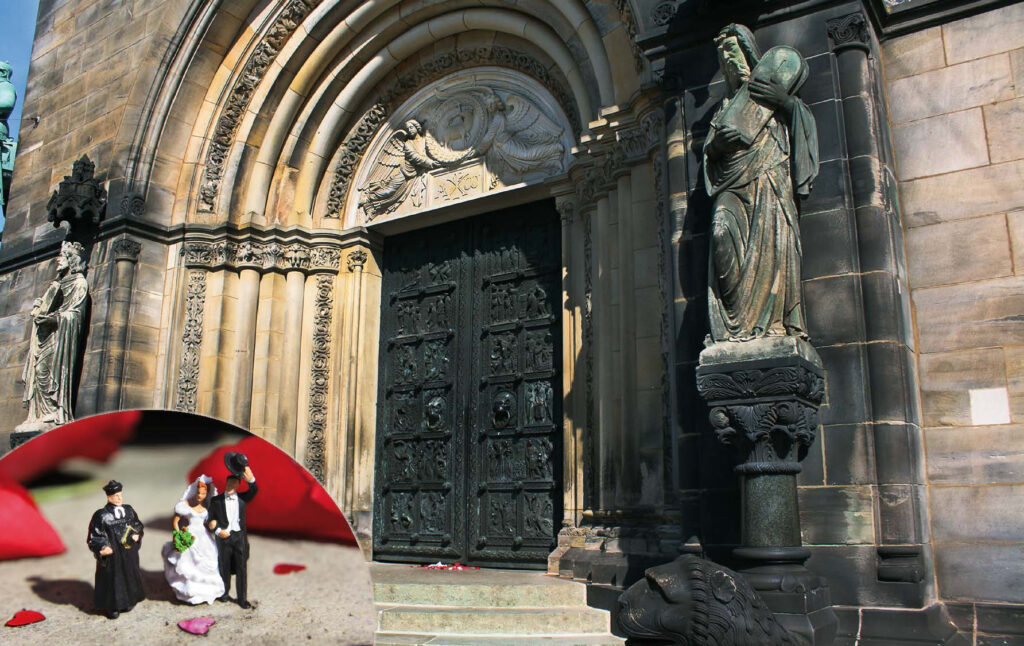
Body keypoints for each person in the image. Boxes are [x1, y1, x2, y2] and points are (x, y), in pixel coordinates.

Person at [703, 24, 819, 343]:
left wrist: (787, 103)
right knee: (720, 232)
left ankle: (775, 326)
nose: (729, 59)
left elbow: (802, 126)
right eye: (723, 54)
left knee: (776, 249)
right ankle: (735, 326)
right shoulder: (725, 109)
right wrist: (717, 146)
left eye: (733, 51)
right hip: (734, 186)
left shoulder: (771, 94)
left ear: (748, 53)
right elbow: (709, 157)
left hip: (770, 184)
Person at [161, 475, 225, 604]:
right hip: (190, 534)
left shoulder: (206, 507)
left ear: (206, 494)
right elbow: (176, 521)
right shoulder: (187, 505)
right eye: (198, 493)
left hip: (203, 534)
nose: (199, 496)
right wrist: (178, 534)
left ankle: (206, 590)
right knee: (188, 560)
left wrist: (214, 525)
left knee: (210, 556)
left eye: (202, 493)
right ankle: (189, 589)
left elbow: (210, 522)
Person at [86, 480, 145, 619]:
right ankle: (112, 607)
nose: (119, 498)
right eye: (116, 496)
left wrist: (137, 533)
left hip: (128, 551)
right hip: (113, 555)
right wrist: (102, 547)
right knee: (113, 579)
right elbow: (94, 535)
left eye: (120, 495)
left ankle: (129, 600)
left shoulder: (129, 510)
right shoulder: (101, 515)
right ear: (109, 497)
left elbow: (138, 524)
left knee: (129, 575)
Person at [208, 454, 257, 609]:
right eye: (228, 483)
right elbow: (210, 521)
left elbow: (254, 490)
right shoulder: (216, 501)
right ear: (226, 483)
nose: (230, 486)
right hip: (224, 538)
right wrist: (217, 531)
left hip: (239, 537)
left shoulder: (243, 499)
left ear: (238, 485)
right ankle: (224, 593)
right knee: (224, 566)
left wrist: (251, 479)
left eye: (233, 483)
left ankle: (242, 598)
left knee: (242, 569)